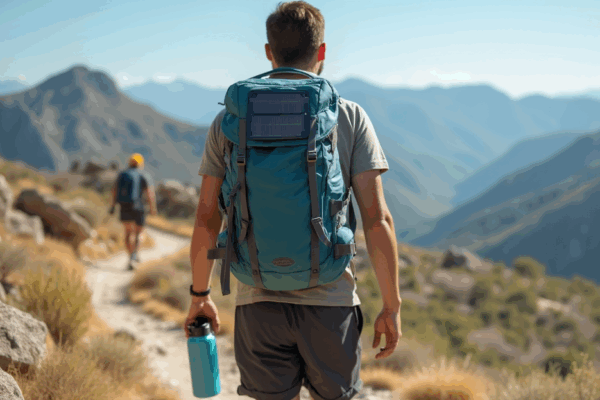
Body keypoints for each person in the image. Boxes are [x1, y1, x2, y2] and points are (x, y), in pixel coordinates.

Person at [186, 2, 402, 400]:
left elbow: (205, 217)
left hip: (256, 298)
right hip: (331, 298)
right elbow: (377, 220)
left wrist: (200, 296)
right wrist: (391, 306)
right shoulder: (349, 116)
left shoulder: (231, 120)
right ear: (321, 52)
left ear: (269, 51)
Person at [110, 153, 158, 270]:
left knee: (127, 233)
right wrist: (152, 208)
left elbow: (114, 191)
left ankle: (130, 256)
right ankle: (135, 254)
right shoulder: (143, 175)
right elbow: (149, 193)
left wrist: (112, 206)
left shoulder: (122, 175)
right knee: (138, 233)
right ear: (140, 164)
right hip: (139, 208)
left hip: (124, 206)